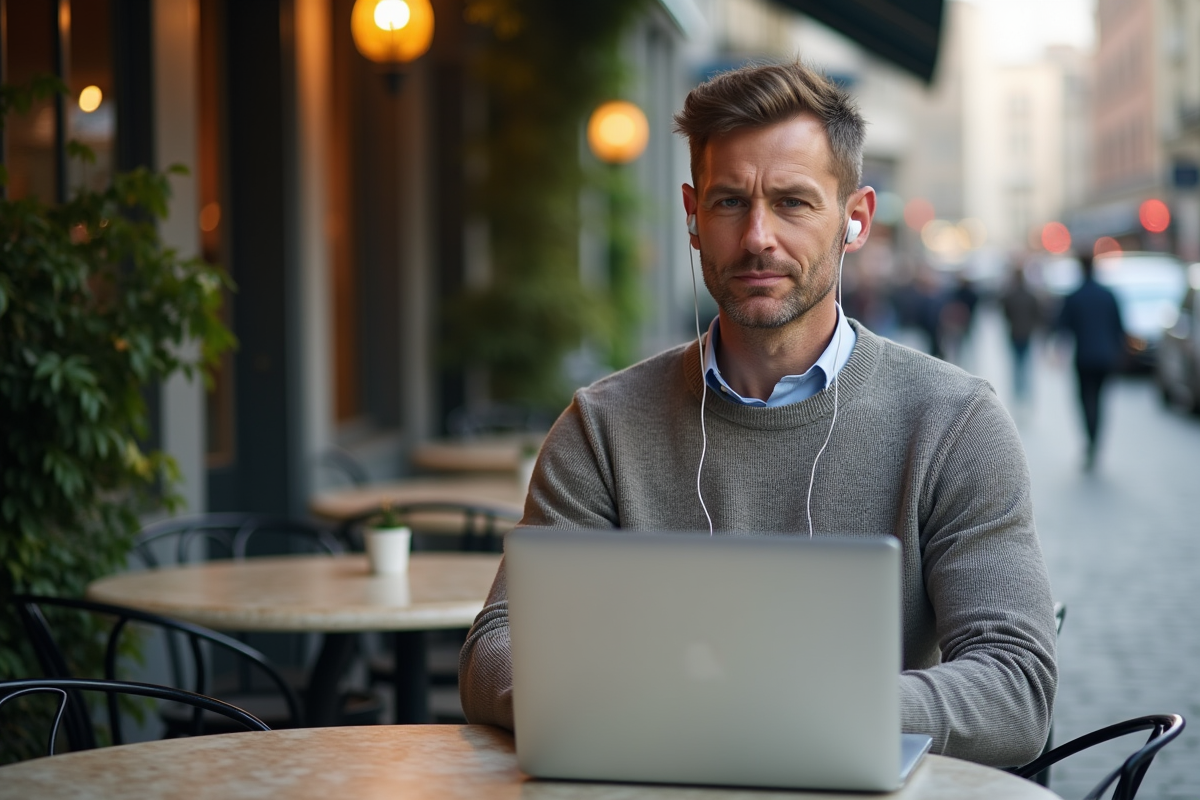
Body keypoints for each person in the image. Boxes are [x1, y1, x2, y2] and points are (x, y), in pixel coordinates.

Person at [459, 61, 1057, 769]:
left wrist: (772, 705)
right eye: (729, 203)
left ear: (855, 219)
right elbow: (497, 645)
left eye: (793, 203)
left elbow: (1015, 688)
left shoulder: (954, 423)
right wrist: (657, 703)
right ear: (692, 215)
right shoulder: (603, 426)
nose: (757, 238)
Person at [1056, 253, 1127, 469]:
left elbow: (1062, 327)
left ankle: (1091, 440)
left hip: (1084, 357)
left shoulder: (1074, 295)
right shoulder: (1108, 295)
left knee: (1086, 400)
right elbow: (1119, 328)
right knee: (1100, 400)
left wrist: (1057, 352)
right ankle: (1095, 440)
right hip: (1105, 357)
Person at [1001, 266, 1042, 401]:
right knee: (1026, 362)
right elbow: (1037, 314)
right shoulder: (1030, 295)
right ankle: (1026, 390)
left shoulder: (1010, 295)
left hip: (1014, 333)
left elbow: (1005, 313)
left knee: (1016, 363)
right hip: (1026, 333)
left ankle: (1017, 390)